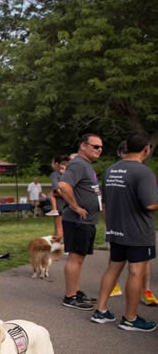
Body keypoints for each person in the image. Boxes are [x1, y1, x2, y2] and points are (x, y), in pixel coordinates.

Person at [91, 131, 157, 331]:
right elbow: (150, 204)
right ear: (146, 149)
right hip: (138, 231)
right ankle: (130, 318)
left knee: (113, 268)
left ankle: (101, 310)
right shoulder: (143, 172)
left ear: (126, 147)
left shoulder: (111, 170)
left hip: (116, 228)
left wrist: (110, 224)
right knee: (136, 272)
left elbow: (105, 202)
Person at [58, 133, 104, 310]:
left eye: (101, 147)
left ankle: (75, 291)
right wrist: (76, 207)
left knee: (79, 258)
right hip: (78, 221)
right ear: (83, 146)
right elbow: (63, 186)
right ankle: (70, 297)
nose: (99, 149)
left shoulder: (86, 165)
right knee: (75, 258)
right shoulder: (78, 164)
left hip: (86, 221)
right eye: (95, 146)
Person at [46, 156, 70, 240]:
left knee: (58, 227)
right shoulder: (70, 174)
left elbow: (56, 189)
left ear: (56, 163)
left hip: (60, 205)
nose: (51, 165)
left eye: (52, 163)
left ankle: (59, 245)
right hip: (69, 205)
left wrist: (66, 196)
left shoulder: (54, 175)